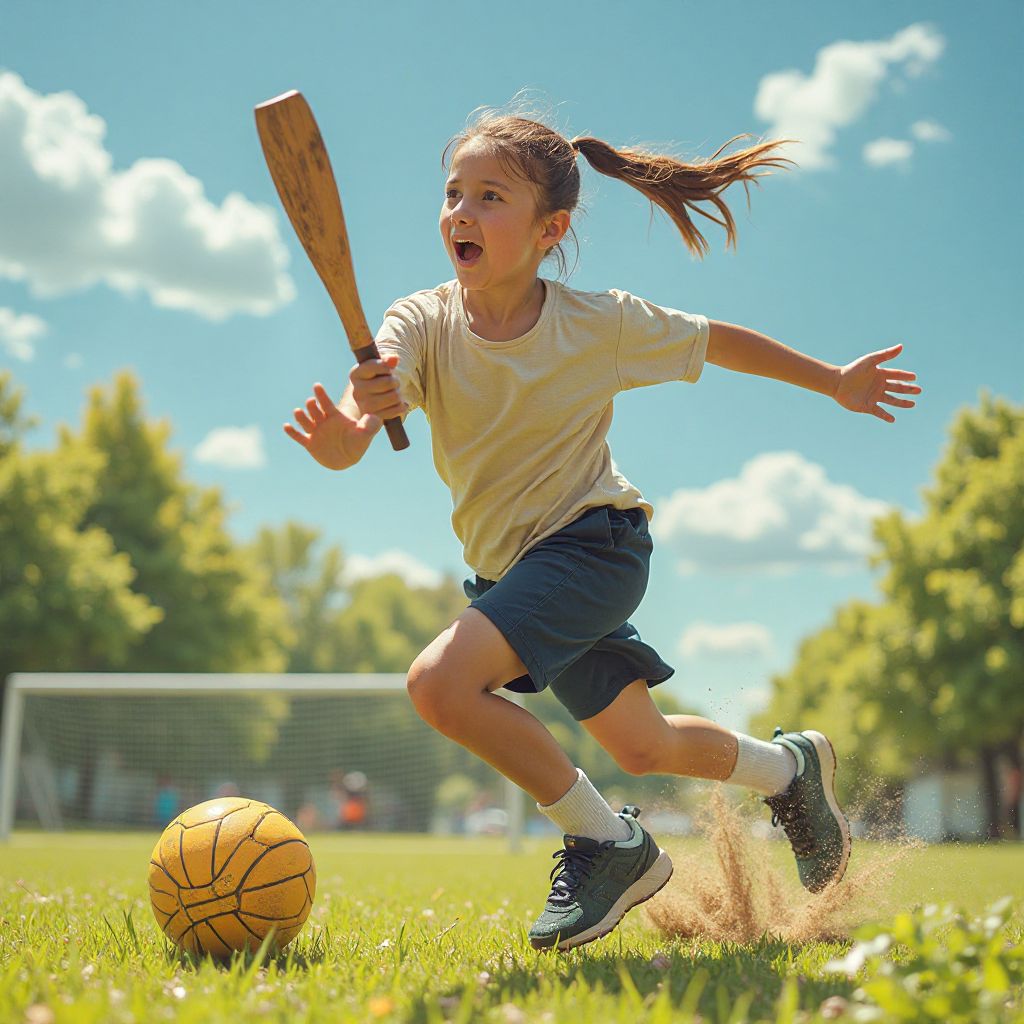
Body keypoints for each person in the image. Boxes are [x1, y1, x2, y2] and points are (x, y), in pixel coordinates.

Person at [283, 99, 921, 952]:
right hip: (514, 572)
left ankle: (606, 842)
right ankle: (789, 770)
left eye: (490, 197)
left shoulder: (597, 323)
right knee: (642, 742)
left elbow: (717, 341)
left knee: (439, 686)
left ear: (552, 229)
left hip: (594, 545)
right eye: (452, 194)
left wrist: (834, 380)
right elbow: (361, 423)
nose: (461, 213)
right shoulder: (421, 322)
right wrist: (343, 434)